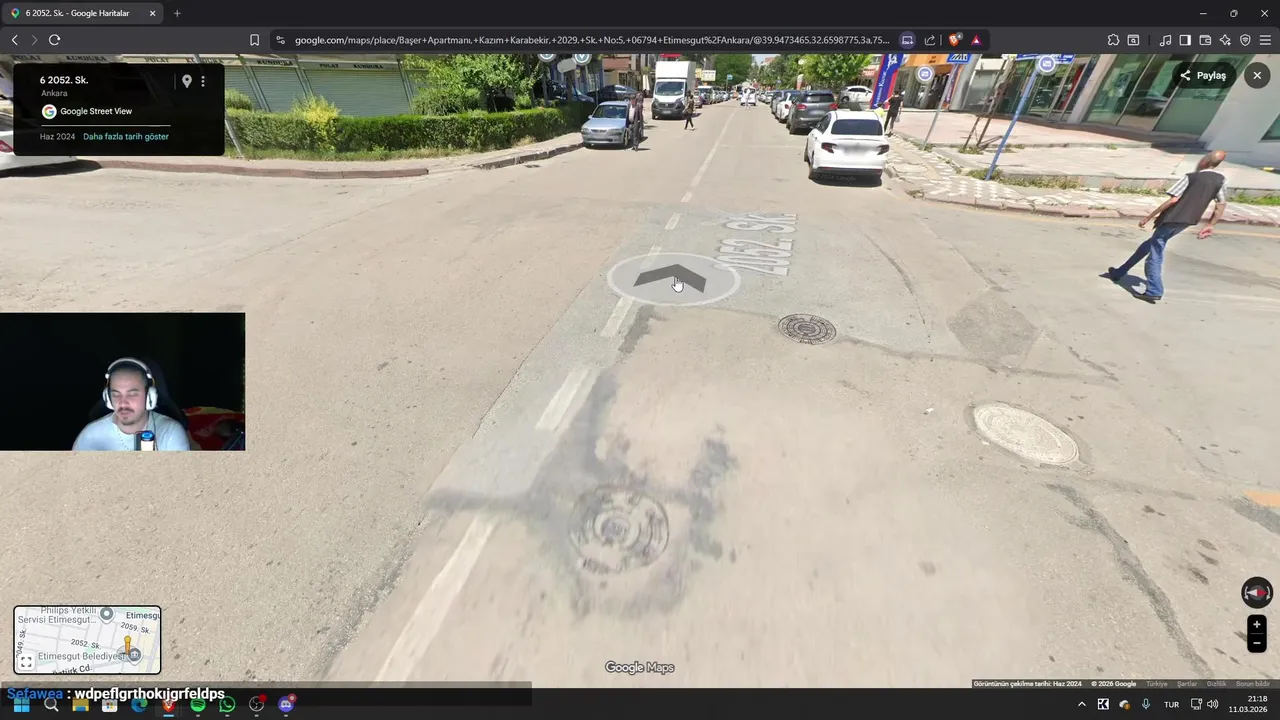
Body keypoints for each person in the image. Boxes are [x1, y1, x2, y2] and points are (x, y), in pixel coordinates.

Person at [1102, 150, 1228, 303]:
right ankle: (1119, 272)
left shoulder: (1190, 177)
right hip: (1188, 221)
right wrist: (1210, 225)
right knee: (1149, 244)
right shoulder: (1221, 180)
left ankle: (1154, 290)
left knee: (1155, 253)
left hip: (1172, 217)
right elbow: (1221, 204)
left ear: (1204, 161)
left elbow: (1173, 200)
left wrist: (1150, 216)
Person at [73, 358, 191, 451]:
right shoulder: (90, 436)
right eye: (116, 394)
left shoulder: (170, 432)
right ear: (107, 398)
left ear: (149, 396)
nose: (123, 402)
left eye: (132, 394)